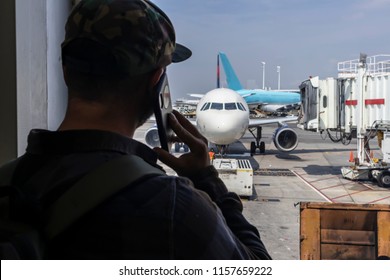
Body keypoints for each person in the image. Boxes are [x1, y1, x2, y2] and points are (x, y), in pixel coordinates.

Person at [1, 0, 271, 259]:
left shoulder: (9, 183)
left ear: (65, 70)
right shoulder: (174, 207)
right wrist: (208, 180)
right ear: (156, 81)